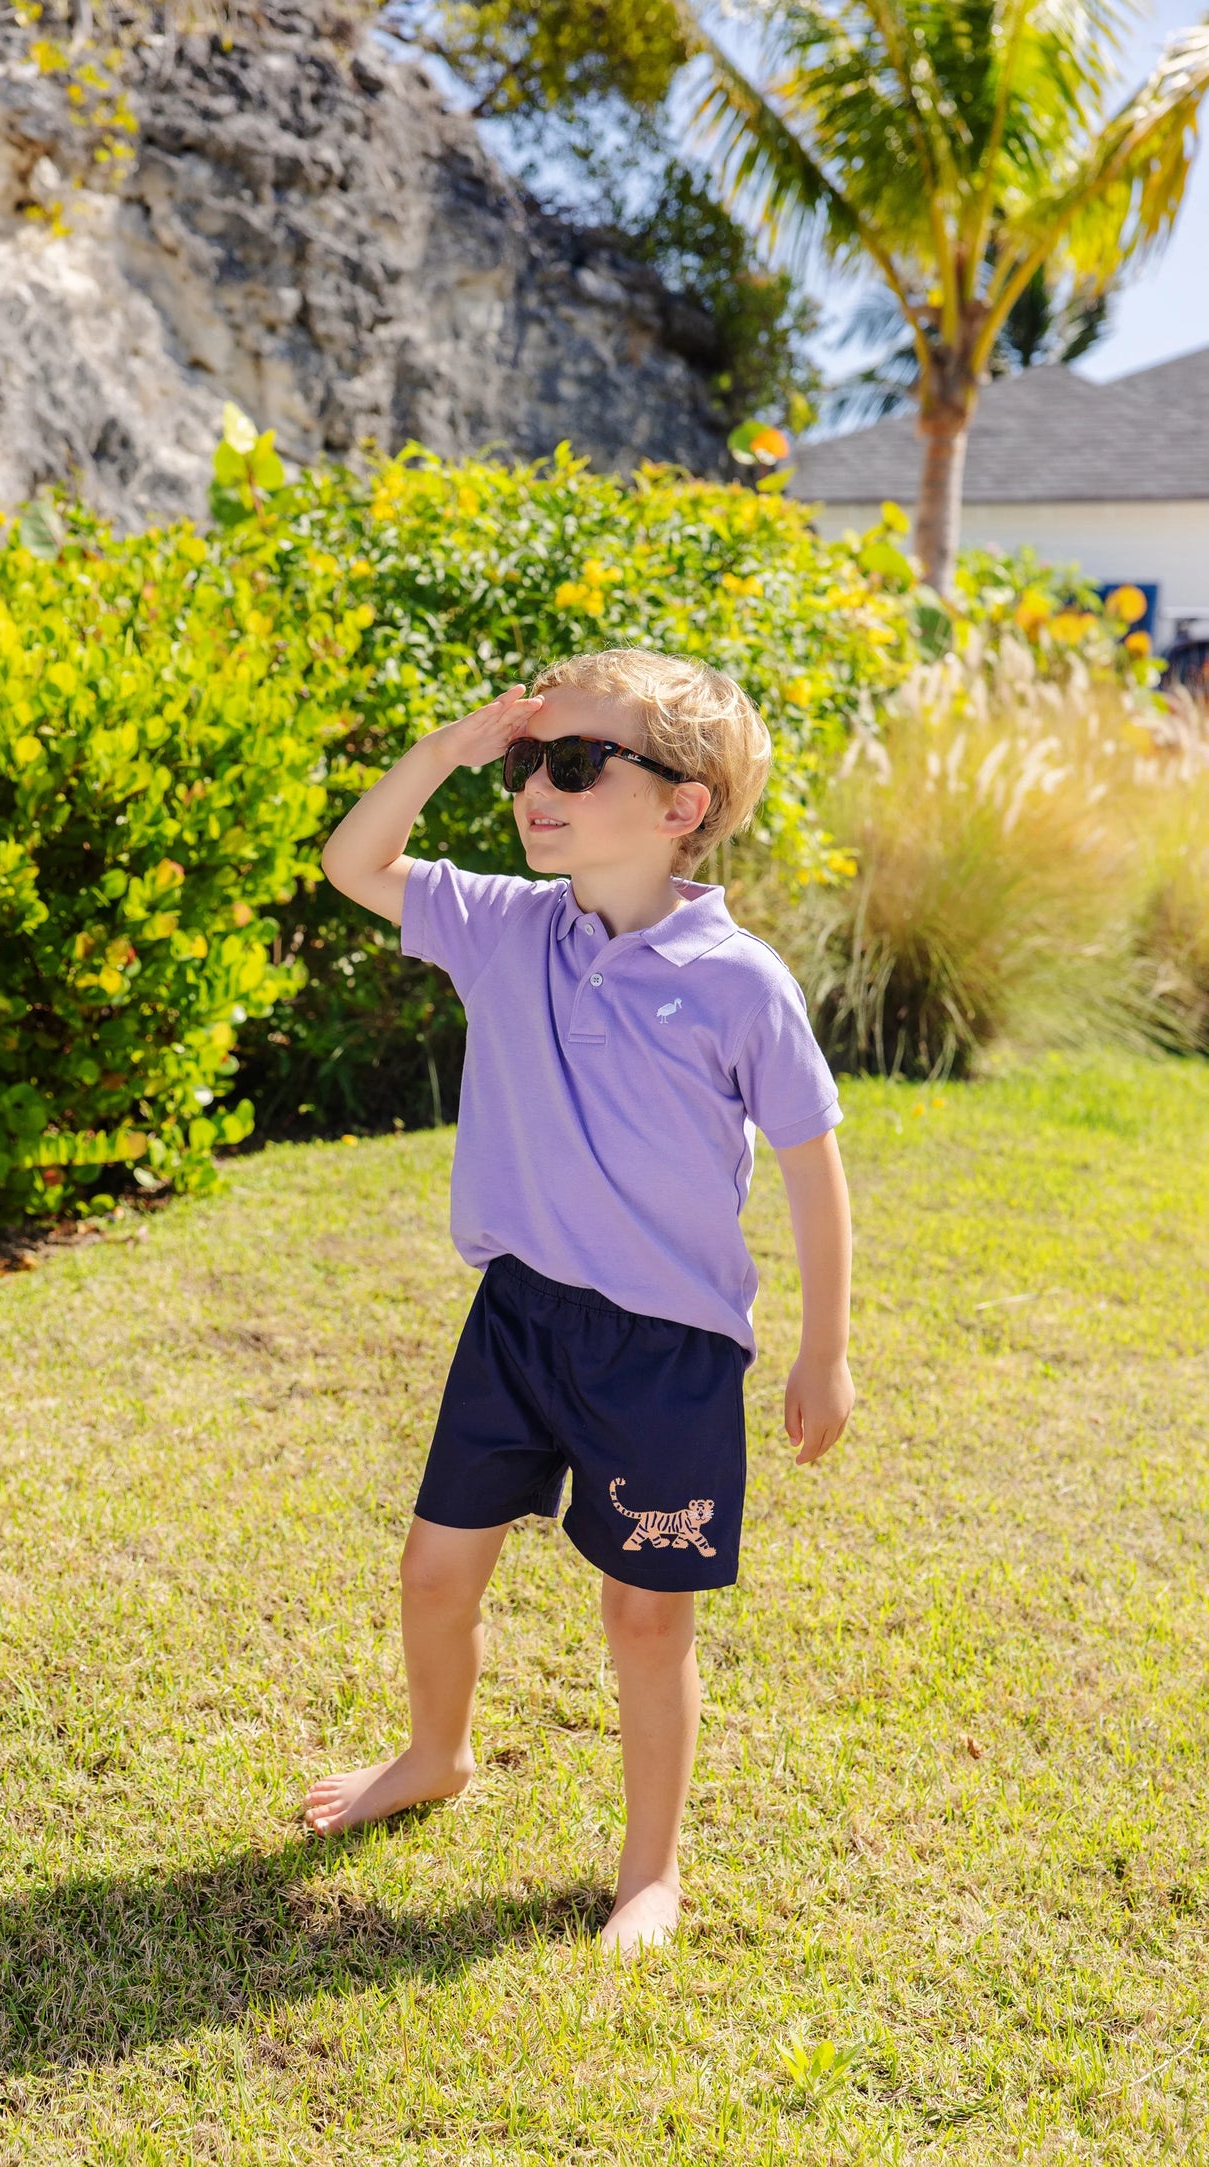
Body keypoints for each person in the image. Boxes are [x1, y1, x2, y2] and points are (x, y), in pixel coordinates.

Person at [304, 647, 854, 1956]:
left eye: (570, 763)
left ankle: (648, 1872)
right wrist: (444, 749)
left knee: (642, 1615)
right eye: (522, 766)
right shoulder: (504, 926)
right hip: (519, 1319)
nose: (531, 792)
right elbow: (351, 864)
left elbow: (810, 1164)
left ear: (681, 807)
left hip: (663, 1354)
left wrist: (822, 1354)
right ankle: (433, 1755)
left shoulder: (736, 982)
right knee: (434, 1573)